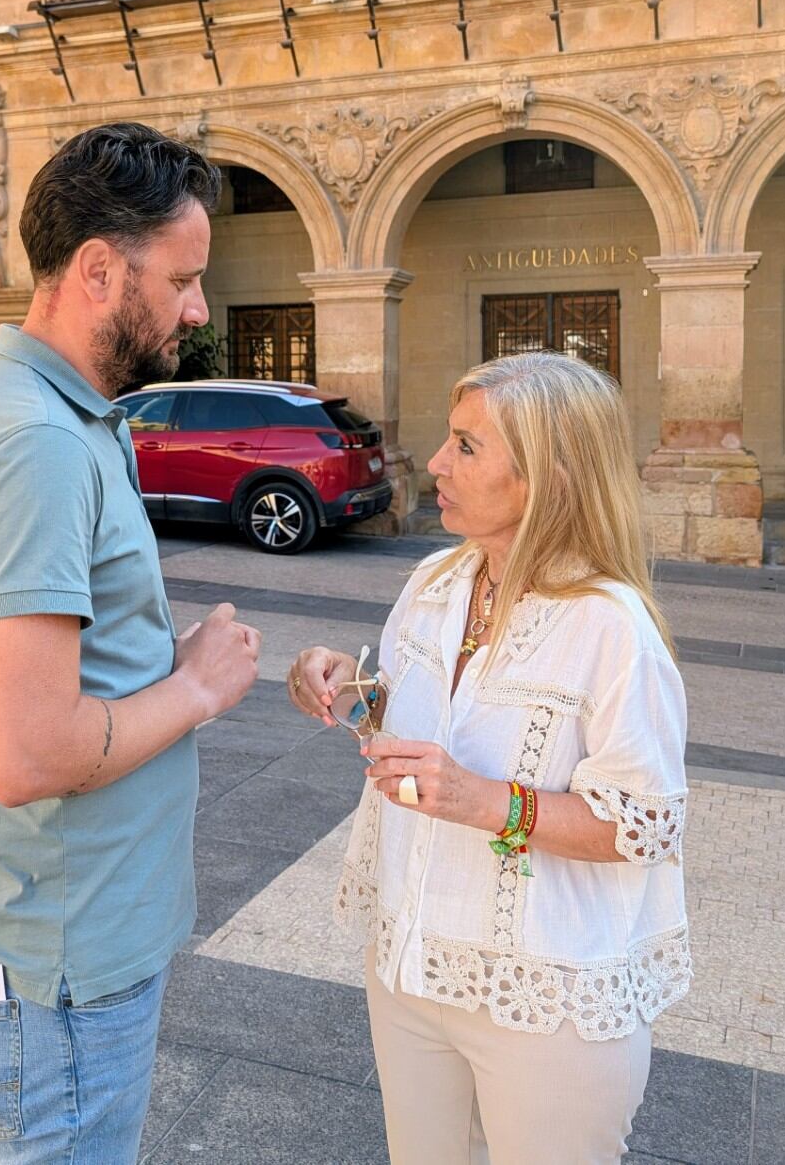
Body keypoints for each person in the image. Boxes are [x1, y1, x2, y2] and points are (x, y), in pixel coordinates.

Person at [0, 122, 262, 1163]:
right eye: (185, 280)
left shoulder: (56, 417)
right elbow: (26, 754)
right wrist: (196, 687)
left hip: (50, 945)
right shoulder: (37, 443)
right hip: (59, 960)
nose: (200, 308)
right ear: (100, 270)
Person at [287, 351, 690, 1165]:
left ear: (551, 475)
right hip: (410, 965)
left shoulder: (612, 629)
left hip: (547, 999)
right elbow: (418, 723)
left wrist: (485, 801)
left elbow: (644, 825)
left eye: (468, 446)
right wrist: (350, 692)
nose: (435, 461)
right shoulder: (436, 583)